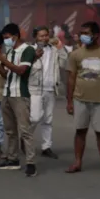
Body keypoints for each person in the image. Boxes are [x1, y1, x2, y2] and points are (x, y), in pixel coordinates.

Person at [65, 21, 100, 176]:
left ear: (96, 35)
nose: (83, 36)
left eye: (86, 33)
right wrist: (69, 101)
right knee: (80, 131)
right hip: (80, 99)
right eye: (81, 33)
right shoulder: (76, 54)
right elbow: (71, 78)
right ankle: (77, 162)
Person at [0, 23, 37, 176]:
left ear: (15, 36)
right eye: (4, 38)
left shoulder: (28, 50)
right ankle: (13, 158)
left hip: (20, 95)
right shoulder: (9, 52)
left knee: (25, 130)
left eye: (7, 37)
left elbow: (21, 71)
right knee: (10, 130)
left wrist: (1, 58)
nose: (5, 40)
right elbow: (6, 74)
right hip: (7, 93)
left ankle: (31, 163)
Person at [29, 26, 65, 160]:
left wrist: (60, 47)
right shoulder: (30, 50)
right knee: (34, 117)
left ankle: (46, 147)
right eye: (41, 36)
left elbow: (64, 62)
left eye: (46, 35)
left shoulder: (54, 50)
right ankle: (26, 138)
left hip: (50, 88)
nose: (44, 38)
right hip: (35, 88)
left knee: (48, 119)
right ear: (35, 37)